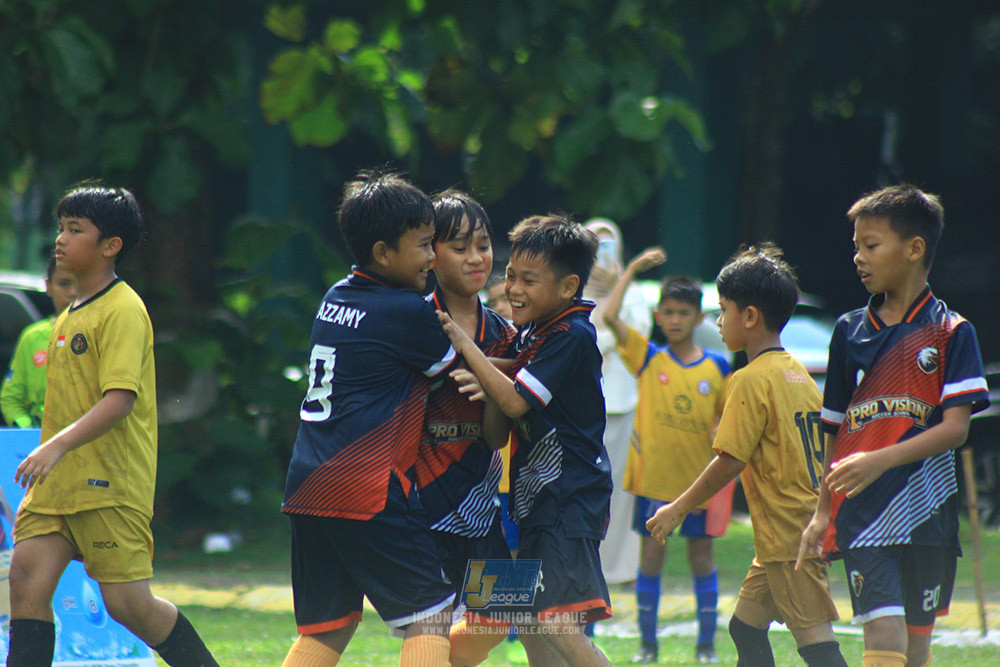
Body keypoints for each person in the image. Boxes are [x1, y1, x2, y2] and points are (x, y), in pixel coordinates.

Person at [8, 185, 219, 667]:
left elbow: (120, 400)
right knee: (25, 581)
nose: (60, 239)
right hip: (57, 484)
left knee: (130, 606)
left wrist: (55, 445)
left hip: (108, 483)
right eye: (61, 228)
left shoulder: (123, 309)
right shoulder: (67, 316)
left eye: (75, 230)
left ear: (110, 246)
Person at [798, 185, 990, 667]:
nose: (858, 257)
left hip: (929, 517)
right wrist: (823, 514)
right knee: (882, 635)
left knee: (917, 646)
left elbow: (955, 430)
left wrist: (879, 459)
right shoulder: (848, 332)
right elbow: (834, 431)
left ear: (914, 248)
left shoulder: (952, 332)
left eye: (871, 245)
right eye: (856, 245)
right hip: (864, 517)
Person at [280, 170, 460, 667]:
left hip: (306, 481)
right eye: (425, 245)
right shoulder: (405, 311)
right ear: (384, 254)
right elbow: (459, 370)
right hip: (364, 486)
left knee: (327, 628)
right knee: (430, 618)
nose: (434, 257)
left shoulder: (336, 296)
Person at [646, 243, 848, 667]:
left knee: (817, 645)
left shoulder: (749, 378)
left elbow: (731, 460)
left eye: (723, 310)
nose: (718, 321)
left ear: (750, 317)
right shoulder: (799, 374)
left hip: (789, 536)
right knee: (745, 627)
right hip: (792, 529)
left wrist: (678, 508)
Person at [437, 214, 613, 667]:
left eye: (528, 280)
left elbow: (515, 403)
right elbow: (507, 390)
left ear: (568, 286)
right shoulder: (537, 331)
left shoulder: (572, 334)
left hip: (570, 501)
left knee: (553, 620)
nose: (513, 287)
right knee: (528, 616)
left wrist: (465, 345)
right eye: (510, 275)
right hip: (533, 503)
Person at [603, 248, 731, 664]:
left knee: (701, 559)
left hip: (698, 485)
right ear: (658, 316)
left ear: (698, 318)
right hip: (653, 484)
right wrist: (634, 270)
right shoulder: (648, 358)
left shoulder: (718, 367)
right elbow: (609, 318)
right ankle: (648, 646)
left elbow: (729, 426)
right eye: (668, 312)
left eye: (683, 313)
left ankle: (707, 647)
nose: (675, 319)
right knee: (651, 561)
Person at [413, 189, 517, 666]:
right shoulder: (412, 321)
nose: (477, 258)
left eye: (483, 244)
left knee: (500, 614)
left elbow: (497, 436)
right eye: (460, 247)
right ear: (430, 255)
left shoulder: (504, 333)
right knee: (427, 629)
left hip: (482, 505)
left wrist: (491, 391)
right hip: (420, 504)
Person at [582, 218, 650, 588]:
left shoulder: (632, 292)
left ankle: (618, 569)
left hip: (624, 403)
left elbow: (636, 338)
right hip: (584, 404)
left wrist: (617, 292)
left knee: (621, 490)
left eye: (608, 245)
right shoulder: (571, 288)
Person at [1, 254, 76, 428]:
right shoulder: (32, 337)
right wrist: (27, 428)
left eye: (81, 283)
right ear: (48, 286)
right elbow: (11, 398)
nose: (73, 292)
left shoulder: (100, 333)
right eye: (64, 284)